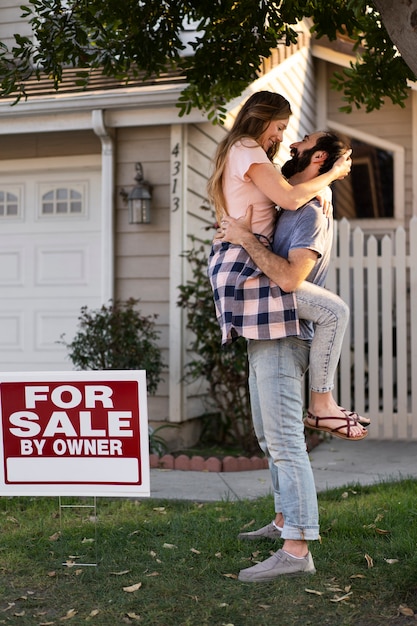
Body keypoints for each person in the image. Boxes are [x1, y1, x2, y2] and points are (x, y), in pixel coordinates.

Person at [217, 129, 362, 581]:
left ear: (316, 156)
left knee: (285, 444)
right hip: (266, 331)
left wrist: (244, 238)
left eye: (300, 140)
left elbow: (289, 278)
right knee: (269, 438)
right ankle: (283, 519)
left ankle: (297, 550)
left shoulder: (309, 211)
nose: (289, 143)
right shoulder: (293, 202)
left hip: (284, 335)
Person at [207, 90, 368, 438]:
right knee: (334, 312)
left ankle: (323, 406)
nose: (283, 138)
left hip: (243, 255)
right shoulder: (247, 148)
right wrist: (334, 176)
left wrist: (318, 188)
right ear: (262, 117)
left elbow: (290, 190)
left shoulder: (244, 152)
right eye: (279, 127)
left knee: (275, 442)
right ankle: (322, 405)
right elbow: (290, 196)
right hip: (244, 257)